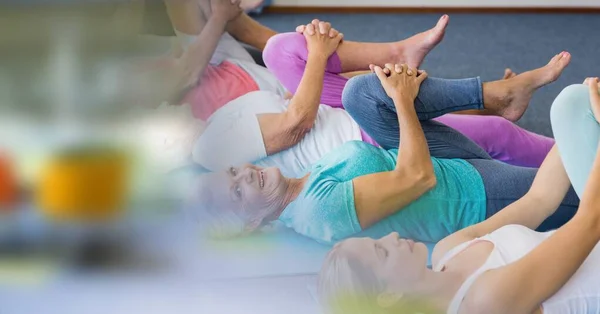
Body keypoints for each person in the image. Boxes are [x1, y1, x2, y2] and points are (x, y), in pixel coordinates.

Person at [189, 43, 578, 245]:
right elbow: (419, 177)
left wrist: (393, 96)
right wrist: (404, 103)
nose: (245, 174)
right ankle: (529, 110)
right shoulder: (316, 212)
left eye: (234, 172)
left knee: (362, 94)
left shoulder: (297, 184)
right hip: (469, 192)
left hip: (445, 162)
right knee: (576, 189)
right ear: (252, 222)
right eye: (237, 193)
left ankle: (496, 93)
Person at [317, 78, 600, 314]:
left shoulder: (448, 250)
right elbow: (590, 222)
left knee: (572, 104)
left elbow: (538, 199)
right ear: (388, 296)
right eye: (382, 251)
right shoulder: (483, 302)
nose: (391, 238)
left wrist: (575, 128)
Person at [195, 20, 556, 179]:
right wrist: (319, 56)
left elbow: (292, 102)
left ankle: (398, 54)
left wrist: (320, 57)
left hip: (341, 114)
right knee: (496, 134)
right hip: (359, 139)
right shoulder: (209, 146)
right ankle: (584, 157)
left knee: (280, 50)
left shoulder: (220, 116)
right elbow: (296, 124)